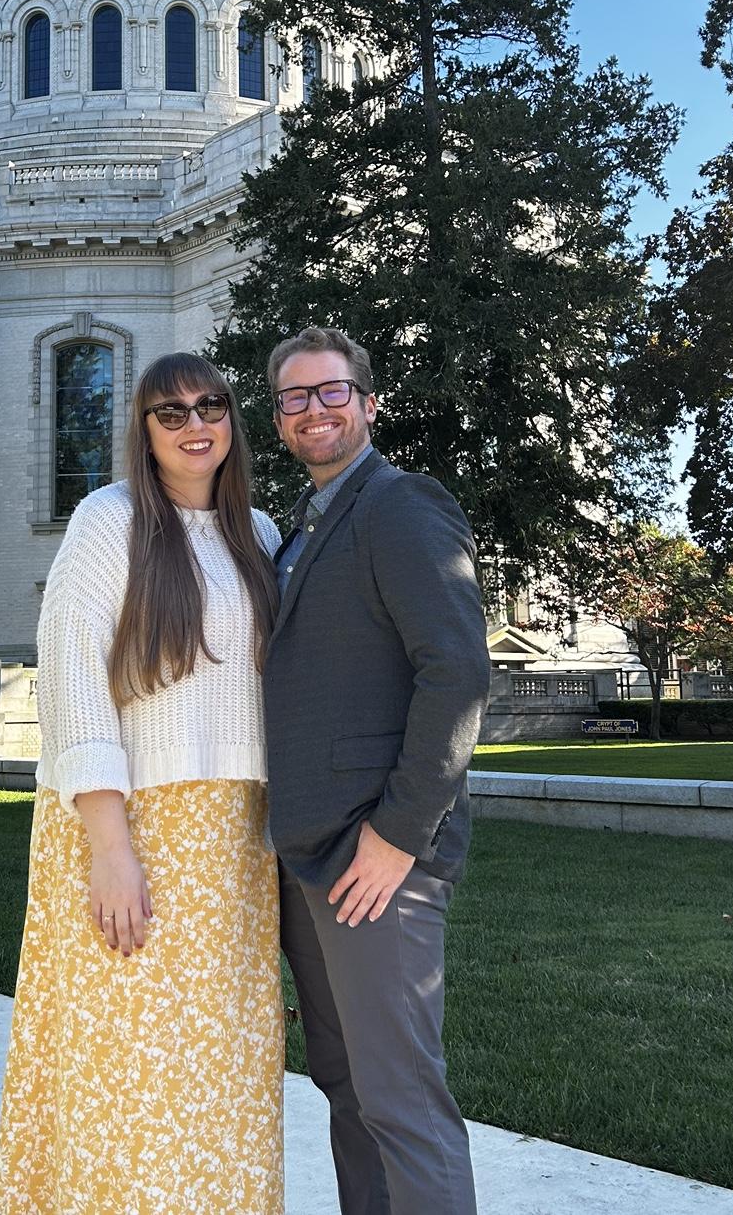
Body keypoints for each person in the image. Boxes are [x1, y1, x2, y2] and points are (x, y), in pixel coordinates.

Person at [0, 353, 285, 1215]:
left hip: (233, 836)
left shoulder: (261, 535)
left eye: (211, 406)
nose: (196, 425)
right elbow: (73, 680)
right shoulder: (108, 520)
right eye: (171, 413)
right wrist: (110, 849)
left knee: (221, 1058)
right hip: (129, 826)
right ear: (145, 433)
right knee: (125, 1062)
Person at [264, 326, 489, 1215]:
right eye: (294, 397)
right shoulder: (303, 529)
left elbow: (458, 672)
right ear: (278, 417)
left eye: (331, 392)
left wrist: (399, 836)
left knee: (401, 1102)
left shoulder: (401, 504)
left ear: (366, 400)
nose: (314, 410)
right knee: (347, 1091)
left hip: (377, 859)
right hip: (309, 854)